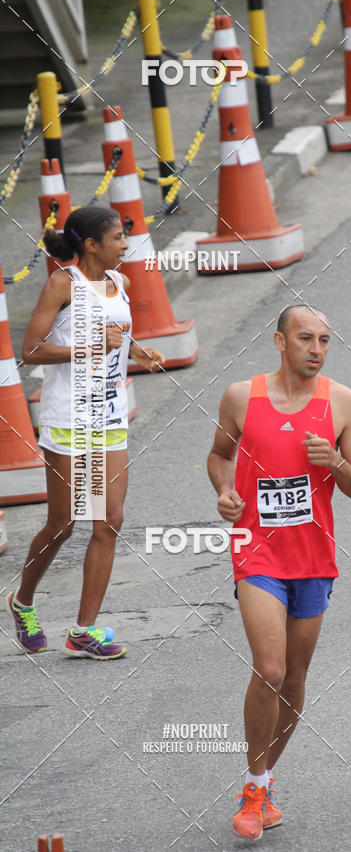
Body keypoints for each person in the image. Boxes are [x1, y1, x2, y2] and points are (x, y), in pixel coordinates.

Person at [207, 304, 351, 840]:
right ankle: (253, 788)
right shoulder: (240, 397)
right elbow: (218, 457)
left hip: (313, 557)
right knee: (271, 669)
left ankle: (267, 779)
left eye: (324, 339)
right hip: (257, 551)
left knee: (295, 679)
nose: (317, 349)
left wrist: (335, 463)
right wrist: (226, 493)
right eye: (305, 338)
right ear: (280, 342)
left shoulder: (342, 402)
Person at [7, 206, 164, 660]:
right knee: (62, 524)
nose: (124, 244)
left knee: (109, 522)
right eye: (117, 237)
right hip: (68, 416)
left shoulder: (121, 284)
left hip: (110, 416)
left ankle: (83, 630)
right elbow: (31, 349)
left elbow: (117, 335)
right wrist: (92, 347)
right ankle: (22, 601)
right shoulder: (63, 283)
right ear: (91, 244)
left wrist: (138, 351)